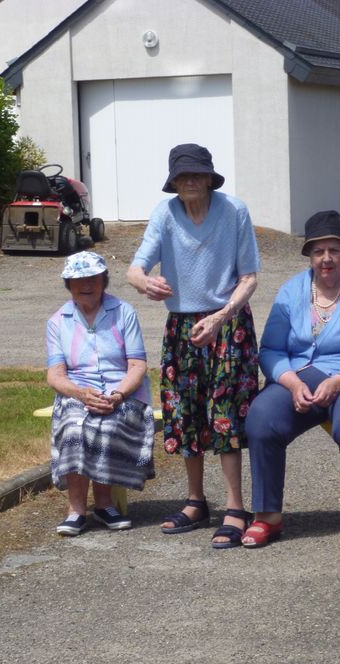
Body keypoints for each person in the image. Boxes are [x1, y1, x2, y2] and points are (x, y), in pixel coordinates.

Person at [127, 143, 260, 549]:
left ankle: (236, 507)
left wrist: (220, 317)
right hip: (182, 326)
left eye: (197, 174)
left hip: (228, 323)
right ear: (173, 182)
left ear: (209, 178)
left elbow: (250, 277)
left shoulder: (234, 211)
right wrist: (144, 282)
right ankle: (196, 501)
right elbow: (135, 268)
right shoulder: (164, 214)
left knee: (225, 414)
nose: (190, 181)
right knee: (184, 414)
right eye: (182, 176)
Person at [243, 210, 340, 550]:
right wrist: (291, 383)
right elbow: (269, 349)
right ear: (309, 254)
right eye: (318, 251)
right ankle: (267, 515)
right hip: (302, 376)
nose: (326, 258)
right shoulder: (291, 290)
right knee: (261, 418)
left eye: (334, 250)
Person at [46, 251, 155, 536]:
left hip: (122, 391)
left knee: (106, 425)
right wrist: (82, 394)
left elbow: (137, 365)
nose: (86, 285)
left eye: (93, 278)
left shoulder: (124, 312)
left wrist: (117, 394)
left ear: (103, 281)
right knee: (74, 427)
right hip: (78, 392)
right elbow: (55, 375)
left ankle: (105, 505)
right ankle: (76, 511)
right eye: (78, 280)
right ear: (68, 284)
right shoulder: (58, 321)